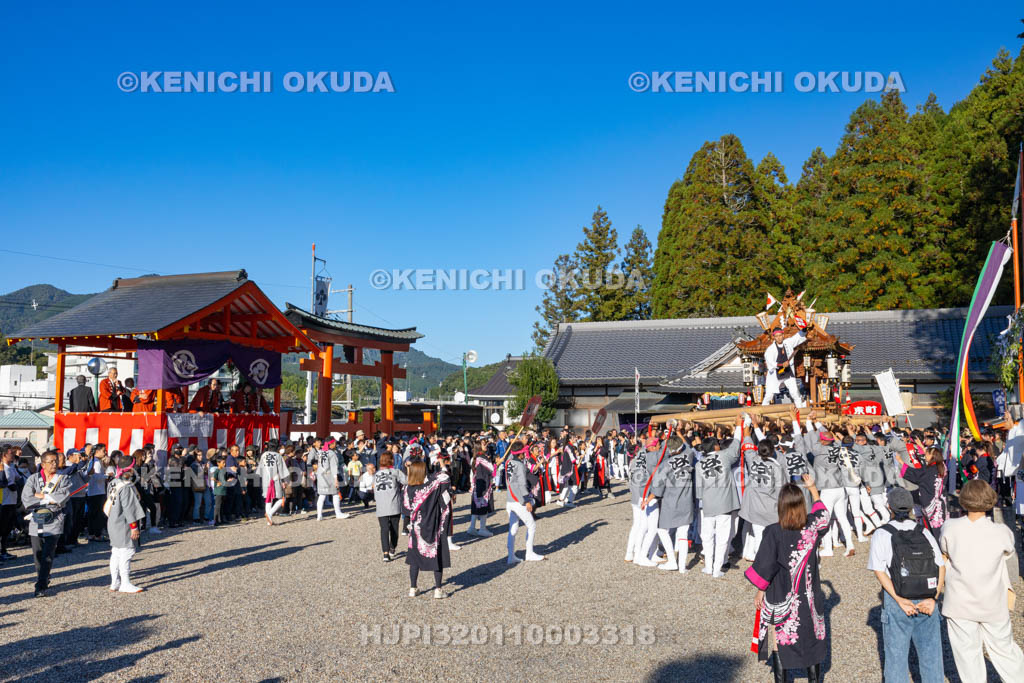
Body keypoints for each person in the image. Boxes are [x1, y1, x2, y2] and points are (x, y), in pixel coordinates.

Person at [744, 474, 829, 683]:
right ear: (802, 505)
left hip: (783, 594)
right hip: (809, 594)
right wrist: (813, 488)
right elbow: (824, 514)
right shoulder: (812, 526)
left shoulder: (773, 531)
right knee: (812, 637)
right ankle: (814, 680)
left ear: (780, 506)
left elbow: (766, 565)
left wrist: (760, 590)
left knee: (781, 639)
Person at [940, 480, 1024, 683]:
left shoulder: (950, 527)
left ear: (964, 501)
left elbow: (944, 551)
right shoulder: (1001, 532)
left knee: (968, 655)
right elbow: (1008, 551)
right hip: (992, 601)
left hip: (959, 601)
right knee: (1004, 649)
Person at [867, 487, 945, 683]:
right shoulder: (924, 531)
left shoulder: (882, 533)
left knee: (896, 659)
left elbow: (879, 571)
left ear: (889, 507)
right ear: (912, 507)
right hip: (927, 599)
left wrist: (899, 599)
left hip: (898, 601)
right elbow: (941, 566)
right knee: (931, 658)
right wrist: (933, 597)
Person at [694, 418, 744, 577]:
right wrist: (738, 425)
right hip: (725, 503)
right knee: (723, 537)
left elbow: (699, 491)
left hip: (707, 504)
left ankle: (709, 567)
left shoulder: (699, 464)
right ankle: (717, 569)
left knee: (707, 537)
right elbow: (736, 444)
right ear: (715, 446)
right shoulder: (724, 456)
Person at [20, 451, 72, 597]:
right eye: (51, 461)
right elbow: (26, 498)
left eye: (56, 461)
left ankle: (40, 585)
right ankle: (43, 576)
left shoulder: (63, 478)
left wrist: (40, 496)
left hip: (54, 520)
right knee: (37, 554)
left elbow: (63, 497)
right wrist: (49, 498)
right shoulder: (33, 478)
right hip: (36, 520)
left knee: (48, 554)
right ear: (43, 464)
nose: (54, 464)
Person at [403, 460, 451, 598]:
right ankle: (438, 589)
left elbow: (406, 509)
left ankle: (413, 587)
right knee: (436, 555)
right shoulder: (432, 486)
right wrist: (440, 467)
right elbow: (445, 477)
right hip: (432, 524)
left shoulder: (407, 489)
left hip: (415, 527)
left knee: (414, 557)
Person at [739, 440, 786, 562]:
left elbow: (748, 448)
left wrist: (748, 425)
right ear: (772, 451)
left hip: (755, 506)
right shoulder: (776, 467)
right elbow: (781, 490)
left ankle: (760, 562)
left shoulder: (752, 461)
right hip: (771, 507)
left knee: (758, 535)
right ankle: (769, 560)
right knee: (773, 536)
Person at [106, 451, 146, 593]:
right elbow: (129, 509)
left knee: (116, 552)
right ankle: (125, 583)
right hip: (123, 523)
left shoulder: (113, 482)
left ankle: (114, 582)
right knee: (127, 552)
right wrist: (134, 527)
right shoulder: (126, 486)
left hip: (113, 521)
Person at [892, 446, 948, 541]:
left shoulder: (929, 470)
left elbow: (915, 474)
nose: (925, 455)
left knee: (935, 529)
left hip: (930, 503)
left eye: (926, 454)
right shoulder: (942, 466)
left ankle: (939, 549)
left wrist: (901, 461)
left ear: (932, 456)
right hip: (941, 502)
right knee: (941, 527)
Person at [505, 441, 544, 564]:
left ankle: (511, 556)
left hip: (509, 500)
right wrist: (526, 500)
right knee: (531, 525)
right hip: (518, 501)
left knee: (513, 529)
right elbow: (521, 485)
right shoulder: (519, 465)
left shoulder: (508, 462)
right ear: (521, 453)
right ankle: (530, 553)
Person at [761, 326, 807, 408]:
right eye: (776, 336)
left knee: (795, 392)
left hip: (788, 372)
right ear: (774, 337)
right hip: (775, 374)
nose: (779, 338)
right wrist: (781, 365)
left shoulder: (788, 343)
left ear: (783, 335)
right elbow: (770, 363)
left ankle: (800, 410)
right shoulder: (770, 350)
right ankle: (762, 412)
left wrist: (804, 328)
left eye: (780, 335)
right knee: (769, 395)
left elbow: (798, 337)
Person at [375, 451, 407, 561]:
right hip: (393, 503)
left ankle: (385, 553)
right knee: (394, 528)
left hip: (381, 505)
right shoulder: (395, 472)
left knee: (384, 529)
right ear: (391, 460)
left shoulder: (377, 474)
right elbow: (407, 481)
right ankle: (392, 548)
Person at [309, 439, 349, 521]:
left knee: (322, 495)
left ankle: (319, 515)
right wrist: (336, 479)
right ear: (332, 444)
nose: (335, 444)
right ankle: (338, 513)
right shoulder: (331, 453)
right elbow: (334, 467)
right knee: (336, 494)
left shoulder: (320, 452)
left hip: (321, 476)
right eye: (334, 443)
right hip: (329, 476)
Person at [468, 442, 502, 536]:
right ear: (479, 447)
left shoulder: (476, 458)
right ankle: (482, 528)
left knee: (476, 506)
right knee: (483, 505)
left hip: (477, 483)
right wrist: (498, 463)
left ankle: (472, 527)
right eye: (484, 445)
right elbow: (491, 469)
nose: (486, 446)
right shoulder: (481, 458)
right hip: (483, 484)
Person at [1, 446, 22, 559]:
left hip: (12, 501)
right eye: (11, 453)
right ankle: (2, 552)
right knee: (2, 528)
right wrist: (12, 484)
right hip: (3, 502)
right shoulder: (2, 467)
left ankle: (4, 551)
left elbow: (18, 478)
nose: (13, 454)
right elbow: (10, 485)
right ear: (4, 455)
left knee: (8, 528)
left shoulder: (12, 467)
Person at [85, 444, 109, 541]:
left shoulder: (95, 461)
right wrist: (107, 476)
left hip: (96, 491)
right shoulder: (96, 462)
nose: (105, 452)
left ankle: (93, 534)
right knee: (98, 514)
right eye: (103, 450)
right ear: (97, 451)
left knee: (94, 514)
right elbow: (95, 476)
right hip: (97, 492)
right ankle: (96, 534)